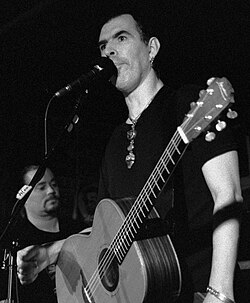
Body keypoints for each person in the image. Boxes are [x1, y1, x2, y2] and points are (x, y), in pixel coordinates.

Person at [16, 12, 243, 303]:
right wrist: (51, 252)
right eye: (102, 46)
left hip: (195, 289)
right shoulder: (113, 142)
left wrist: (219, 292)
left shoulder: (189, 105)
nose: (109, 50)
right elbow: (103, 231)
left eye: (121, 38)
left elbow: (229, 194)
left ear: (151, 49)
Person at [0, 165, 81, 303]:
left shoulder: (76, 229)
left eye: (54, 184)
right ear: (23, 195)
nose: (51, 191)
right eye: (41, 187)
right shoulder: (17, 243)